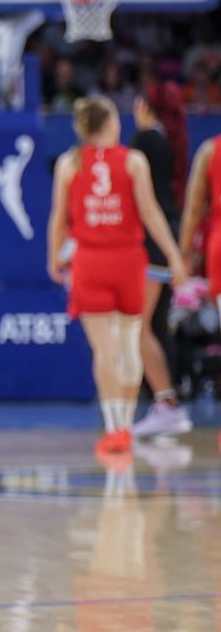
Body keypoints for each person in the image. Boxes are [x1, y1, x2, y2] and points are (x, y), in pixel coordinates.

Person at [48, 95, 187, 457]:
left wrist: (53, 257)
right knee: (128, 344)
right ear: (110, 123)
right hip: (128, 261)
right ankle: (126, 423)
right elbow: (151, 212)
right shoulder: (133, 161)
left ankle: (114, 428)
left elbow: (59, 219)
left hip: (90, 262)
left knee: (104, 349)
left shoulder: (69, 162)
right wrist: (174, 255)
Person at [129, 83, 190, 438]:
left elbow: (143, 202)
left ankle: (166, 402)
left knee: (139, 326)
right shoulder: (169, 140)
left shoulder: (145, 142)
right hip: (164, 238)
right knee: (152, 324)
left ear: (145, 106)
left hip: (150, 242)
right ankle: (163, 401)